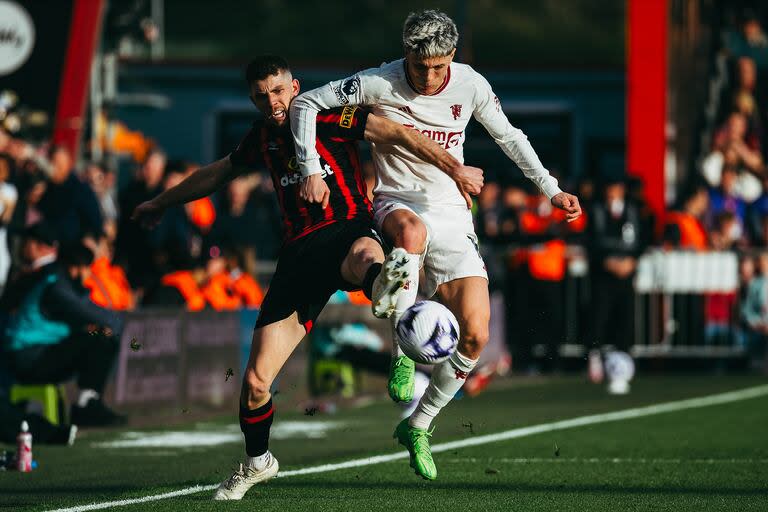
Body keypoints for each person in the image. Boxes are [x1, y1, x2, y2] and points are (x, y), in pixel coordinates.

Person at [131, 55, 483, 500]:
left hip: (350, 229)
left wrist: (452, 167)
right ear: (252, 98)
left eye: (278, 91)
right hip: (298, 257)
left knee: (363, 255)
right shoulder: (261, 137)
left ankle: (386, 280)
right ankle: (259, 463)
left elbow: (392, 131)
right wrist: (160, 203)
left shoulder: (334, 113)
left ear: (294, 87)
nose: (272, 101)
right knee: (257, 383)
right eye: (261, 95)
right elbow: (217, 173)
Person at [289, 9, 581, 480]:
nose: (429, 75)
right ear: (406, 53)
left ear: (452, 57)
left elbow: (508, 136)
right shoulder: (376, 82)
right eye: (420, 65)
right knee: (411, 235)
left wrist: (551, 189)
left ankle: (419, 426)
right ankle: (401, 355)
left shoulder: (469, 84)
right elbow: (304, 105)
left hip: (453, 213)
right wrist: (307, 168)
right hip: (396, 202)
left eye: (439, 65)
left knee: (477, 335)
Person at [1, 223, 125, 427]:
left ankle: (88, 401)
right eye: (87, 268)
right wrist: (109, 328)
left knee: (99, 337)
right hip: (28, 359)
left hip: (35, 354)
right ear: (76, 267)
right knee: (100, 340)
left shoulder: (56, 280)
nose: (89, 275)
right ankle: (87, 406)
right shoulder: (58, 287)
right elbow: (105, 318)